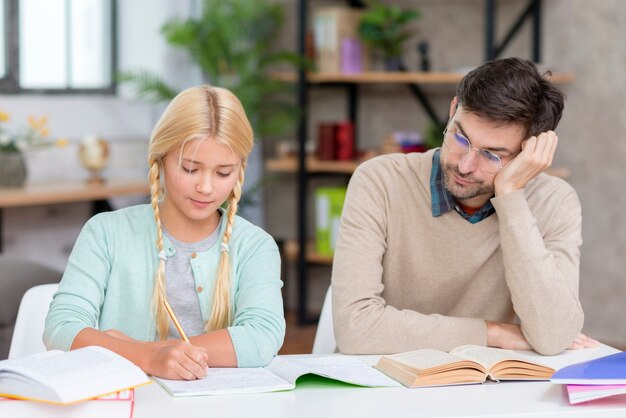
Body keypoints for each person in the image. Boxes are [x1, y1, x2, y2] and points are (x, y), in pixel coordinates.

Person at [331, 57, 598, 356]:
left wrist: (510, 196)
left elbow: (554, 336)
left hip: (482, 389)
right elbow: (355, 329)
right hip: (381, 382)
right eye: (461, 137)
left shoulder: (554, 202)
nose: (465, 164)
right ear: (453, 109)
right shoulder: (380, 181)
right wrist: (492, 333)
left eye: (492, 155)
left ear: (528, 154)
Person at [44, 85, 285, 380]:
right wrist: (150, 358)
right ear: (160, 159)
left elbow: (261, 337)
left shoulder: (255, 247)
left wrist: (147, 351)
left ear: (240, 169)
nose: (206, 187)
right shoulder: (105, 233)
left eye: (224, 172)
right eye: (190, 169)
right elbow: (62, 328)